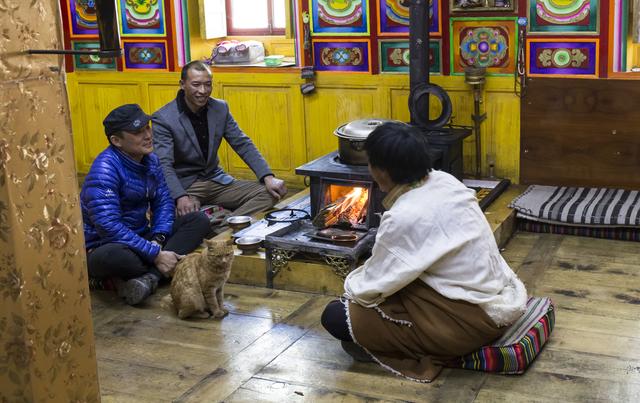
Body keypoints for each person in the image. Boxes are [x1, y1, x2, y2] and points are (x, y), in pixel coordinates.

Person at [320, 122, 527, 382]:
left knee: (335, 315)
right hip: (493, 297)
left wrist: (351, 287)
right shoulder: (445, 181)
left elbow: (368, 289)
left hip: (467, 324)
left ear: (381, 170)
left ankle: (408, 346)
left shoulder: (404, 216)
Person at [81, 104, 211, 305]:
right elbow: (108, 226)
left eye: (147, 127)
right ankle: (158, 271)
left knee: (198, 219)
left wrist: (158, 240)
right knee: (119, 258)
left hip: (141, 237)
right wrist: (155, 254)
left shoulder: (151, 160)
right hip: (106, 245)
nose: (148, 135)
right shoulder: (104, 169)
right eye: (137, 132)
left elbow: (164, 201)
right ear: (116, 141)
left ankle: (148, 279)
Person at [152, 60, 287, 225]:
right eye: (196, 85)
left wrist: (268, 177)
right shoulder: (164, 118)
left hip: (216, 180)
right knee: (174, 215)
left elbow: (242, 143)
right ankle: (213, 221)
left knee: (272, 193)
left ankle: (225, 225)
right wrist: (181, 197)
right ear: (182, 84)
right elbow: (164, 164)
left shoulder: (220, 108)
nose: (203, 91)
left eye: (208, 85)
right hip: (187, 185)